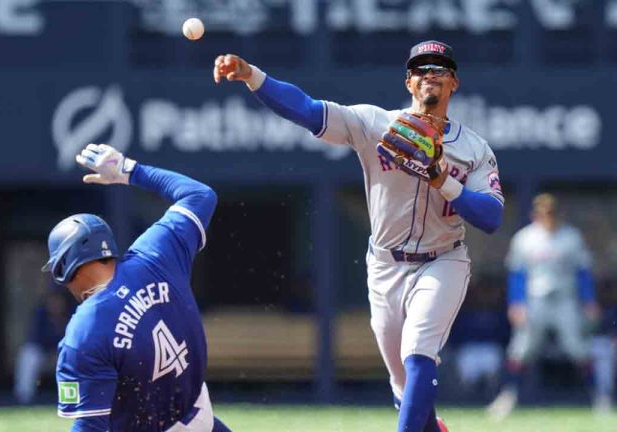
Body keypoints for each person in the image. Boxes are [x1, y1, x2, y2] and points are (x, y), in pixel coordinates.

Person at [213, 40, 504, 432]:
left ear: (454, 83)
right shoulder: (375, 124)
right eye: (421, 69)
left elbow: (491, 217)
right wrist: (251, 75)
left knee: (418, 354)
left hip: (442, 261)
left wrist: (441, 179)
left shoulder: (473, 149)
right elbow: (307, 109)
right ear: (408, 83)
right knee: (404, 389)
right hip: (385, 265)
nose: (429, 75)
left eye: (439, 69)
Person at [42, 143, 232, 432]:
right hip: (200, 417)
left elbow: (90, 426)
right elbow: (199, 195)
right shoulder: (156, 254)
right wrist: (130, 171)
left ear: (66, 268)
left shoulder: (84, 331)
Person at [487, 193, 601, 419]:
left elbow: (582, 273)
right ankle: (508, 396)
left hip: (565, 300)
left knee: (579, 348)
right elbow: (517, 274)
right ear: (535, 214)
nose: (546, 217)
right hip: (535, 300)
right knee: (521, 349)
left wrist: (588, 300)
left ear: (558, 214)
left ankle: (599, 397)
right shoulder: (525, 238)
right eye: (542, 212)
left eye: (550, 212)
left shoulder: (571, 237)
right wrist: (516, 303)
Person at [14, 288, 73, 404]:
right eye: (52, 301)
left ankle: (72, 399)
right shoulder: (40, 315)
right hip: (44, 353)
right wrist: (51, 353)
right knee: (29, 354)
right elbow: (35, 339)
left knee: (75, 357)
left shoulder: (72, 315)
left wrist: (59, 352)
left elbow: (75, 340)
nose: (56, 304)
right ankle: (24, 398)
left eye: (58, 301)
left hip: (63, 354)